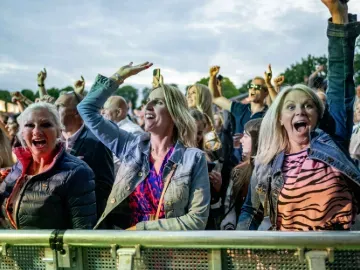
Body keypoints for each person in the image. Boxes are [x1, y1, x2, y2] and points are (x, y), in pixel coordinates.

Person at [237, 0, 360, 231]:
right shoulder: (267, 163)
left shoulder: (332, 142)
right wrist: (240, 246)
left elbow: (340, 83)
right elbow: (251, 210)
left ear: (317, 114)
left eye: (308, 106)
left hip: (337, 258)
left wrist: (338, 18)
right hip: (287, 260)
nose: (300, 111)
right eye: (291, 107)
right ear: (280, 119)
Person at [77, 62, 210, 230]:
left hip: (170, 252)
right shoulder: (130, 146)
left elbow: (196, 220)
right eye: (148, 101)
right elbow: (86, 109)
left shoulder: (193, 158)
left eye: (158, 102)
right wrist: (119, 77)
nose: (147, 106)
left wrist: (141, 229)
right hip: (124, 249)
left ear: (175, 113)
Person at [0, 102, 96, 229]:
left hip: (52, 249)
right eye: (29, 125)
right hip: (12, 248)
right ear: (22, 133)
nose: (36, 131)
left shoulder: (78, 172)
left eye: (46, 125)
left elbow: (83, 234)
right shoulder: (18, 167)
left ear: (58, 132)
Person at [55, 83, 114, 217]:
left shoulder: (97, 142)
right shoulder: (52, 140)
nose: (54, 109)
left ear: (77, 111)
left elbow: (106, 186)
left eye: (60, 106)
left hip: (85, 219)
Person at [208, 66, 270, 163]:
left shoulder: (269, 115)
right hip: (236, 163)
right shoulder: (240, 108)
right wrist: (212, 78)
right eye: (251, 86)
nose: (252, 90)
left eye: (257, 87)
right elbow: (215, 98)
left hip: (258, 164)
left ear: (266, 92)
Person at [220, 119, 263, 230]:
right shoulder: (238, 171)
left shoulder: (270, 170)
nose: (241, 140)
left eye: (246, 136)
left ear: (258, 139)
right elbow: (230, 209)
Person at [102, 96, 144, 174]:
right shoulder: (109, 128)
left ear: (118, 112)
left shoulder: (134, 131)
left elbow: (135, 165)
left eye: (106, 109)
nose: (102, 112)